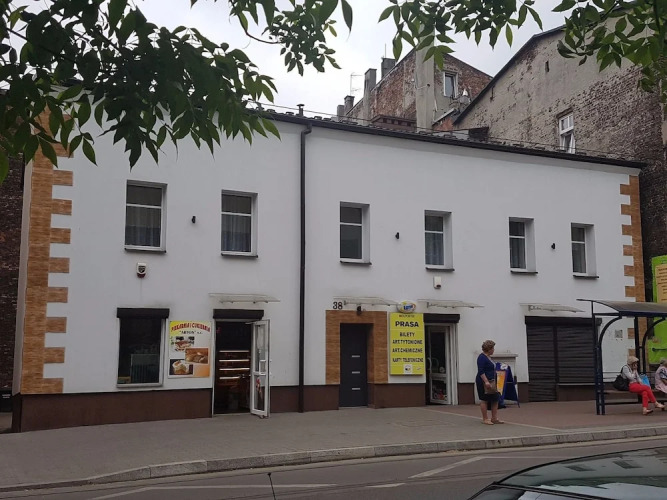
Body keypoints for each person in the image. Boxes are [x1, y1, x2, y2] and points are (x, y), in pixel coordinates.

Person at [476, 339, 503, 425]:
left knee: (495, 398)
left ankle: (494, 418)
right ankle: (485, 418)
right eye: (493, 348)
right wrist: (486, 381)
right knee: (484, 399)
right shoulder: (481, 357)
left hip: (493, 381)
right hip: (484, 381)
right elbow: (481, 371)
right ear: (489, 349)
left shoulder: (489, 357)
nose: (494, 350)